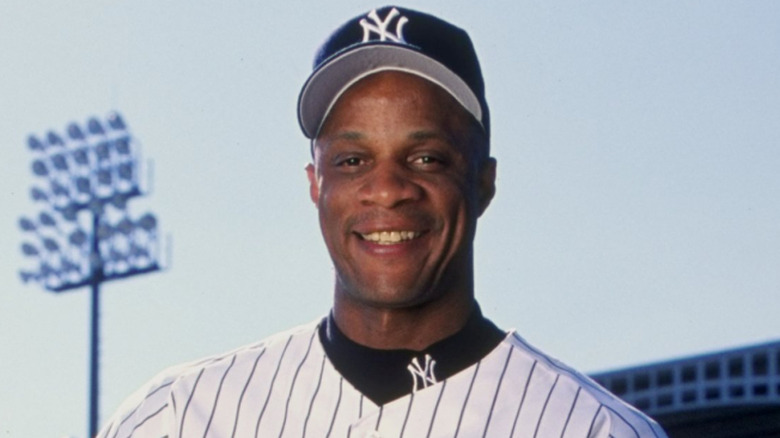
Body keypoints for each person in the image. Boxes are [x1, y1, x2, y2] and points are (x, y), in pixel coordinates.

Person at [99, 6, 667, 437]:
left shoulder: (593, 429)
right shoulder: (179, 416)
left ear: (484, 182)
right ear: (316, 185)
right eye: (353, 161)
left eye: (426, 159)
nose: (389, 190)